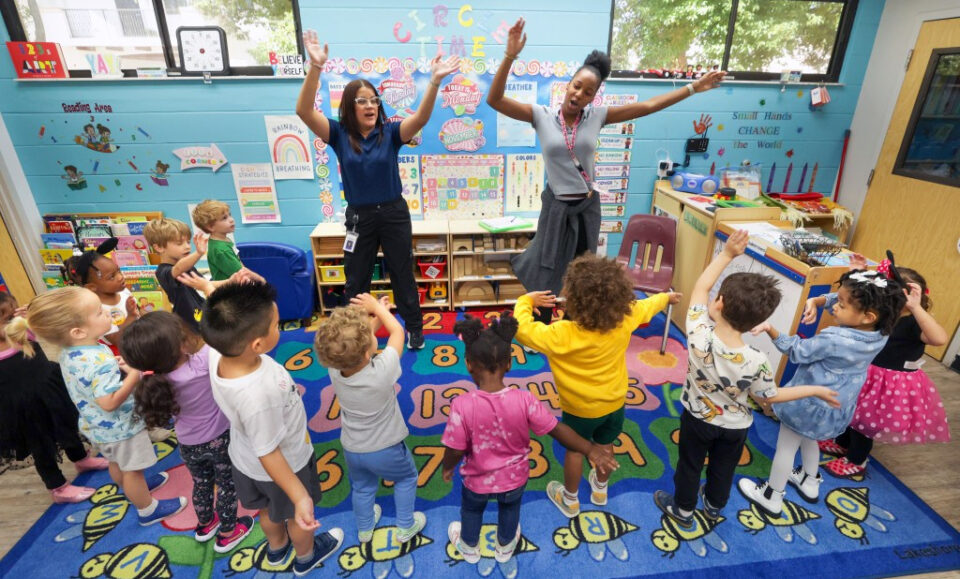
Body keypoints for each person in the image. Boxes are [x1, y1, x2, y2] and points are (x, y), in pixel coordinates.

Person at [487, 18, 725, 324]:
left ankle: (577, 323)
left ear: (593, 96)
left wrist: (694, 88)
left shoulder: (597, 117)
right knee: (546, 267)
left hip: (587, 206)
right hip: (556, 207)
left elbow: (649, 105)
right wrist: (509, 56)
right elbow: (494, 99)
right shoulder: (540, 116)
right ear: (568, 84)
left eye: (588, 92)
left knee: (584, 271)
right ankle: (543, 325)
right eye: (576, 86)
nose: (578, 95)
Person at [652, 229, 839, 529]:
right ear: (758, 321)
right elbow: (771, 397)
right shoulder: (757, 360)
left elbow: (702, 286)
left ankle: (683, 510)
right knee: (724, 467)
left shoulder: (699, 334)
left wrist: (727, 255)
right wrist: (814, 389)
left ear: (719, 303)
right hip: (735, 427)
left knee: (689, 464)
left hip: (697, 419)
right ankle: (714, 505)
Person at [296, 29, 460, 350]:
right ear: (349, 106)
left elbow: (422, 117)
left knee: (402, 273)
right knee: (356, 279)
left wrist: (435, 82)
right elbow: (303, 111)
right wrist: (315, 68)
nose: (370, 105)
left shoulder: (392, 132)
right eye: (362, 100)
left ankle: (414, 330)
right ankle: (351, 335)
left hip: (394, 213)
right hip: (359, 217)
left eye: (374, 100)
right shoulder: (338, 133)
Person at [441, 313, 618, 564]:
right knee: (510, 509)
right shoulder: (526, 399)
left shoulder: (461, 405)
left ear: (468, 364)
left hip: (476, 481)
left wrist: (448, 467)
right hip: (515, 479)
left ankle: (469, 546)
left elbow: (455, 448)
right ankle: (505, 546)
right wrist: (589, 448)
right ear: (509, 363)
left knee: (471, 510)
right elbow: (557, 429)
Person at [513, 254, 678, 517]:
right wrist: (667, 298)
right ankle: (600, 489)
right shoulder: (625, 318)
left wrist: (526, 301)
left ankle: (570, 499)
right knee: (605, 444)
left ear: (574, 301)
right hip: (614, 403)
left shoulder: (560, 334)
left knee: (576, 451)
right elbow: (646, 306)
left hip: (579, 409)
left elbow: (521, 329)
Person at [5, 287, 187, 524]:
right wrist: (133, 374)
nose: (107, 314)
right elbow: (109, 402)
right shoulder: (97, 361)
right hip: (121, 428)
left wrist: (113, 362)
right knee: (131, 469)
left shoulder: (74, 350)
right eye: (100, 312)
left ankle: (135, 487)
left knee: (117, 463)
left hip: (97, 427)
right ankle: (148, 509)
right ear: (78, 331)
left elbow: (89, 380)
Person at [200, 281, 343, 575]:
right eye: (276, 325)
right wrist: (299, 495)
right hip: (284, 465)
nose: (279, 329)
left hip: (244, 461)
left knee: (266, 511)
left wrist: (210, 289)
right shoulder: (258, 396)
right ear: (257, 344)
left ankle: (277, 550)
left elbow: (221, 313)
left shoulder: (218, 350)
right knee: (295, 516)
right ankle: (306, 556)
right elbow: (269, 453)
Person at [738, 268, 906, 516]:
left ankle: (771, 495)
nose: (835, 307)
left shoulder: (834, 338)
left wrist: (770, 328)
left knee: (786, 446)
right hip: (836, 404)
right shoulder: (881, 332)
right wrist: (818, 301)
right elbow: (847, 302)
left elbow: (797, 350)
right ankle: (809, 480)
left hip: (808, 402)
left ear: (868, 315)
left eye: (841, 304)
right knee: (809, 437)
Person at [121, 311, 254, 553]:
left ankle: (205, 524)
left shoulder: (150, 377)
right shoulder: (202, 362)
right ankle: (227, 532)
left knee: (201, 482)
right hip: (219, 439)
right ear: (181, 345)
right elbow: (225, 337)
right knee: (227, 485)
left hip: (187, 444)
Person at [810, 265, 950, 477]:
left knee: (865, 422)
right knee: (851, 411)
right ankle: (842, 443)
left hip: (889, 383)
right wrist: (857, 271)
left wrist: (916, 308)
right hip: (866, 372)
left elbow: (939, 339)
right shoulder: (884, 314)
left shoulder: (914, 321)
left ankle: (857, 459)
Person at [314, 294, 425, 544]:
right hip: (386, 447)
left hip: (353, 447)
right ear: (367, 353)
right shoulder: (382, 371)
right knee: (406, 478)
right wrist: (379, 310)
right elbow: (397, 332)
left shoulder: (335, 368)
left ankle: (364, 529)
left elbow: (354, 345)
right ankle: (406, 525)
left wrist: (373, 320)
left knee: (363, 488)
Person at [0, 292, 109, 503]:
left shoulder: (23, 332)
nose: (16, 321)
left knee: (67, 425)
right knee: (41, 445)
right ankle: (57, 486)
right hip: (24, 408)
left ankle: (80, 458)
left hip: (50, 390)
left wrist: (30, 316)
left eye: (15, 314)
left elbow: (46, 324)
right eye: (7, 320)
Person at [144, 217, 262, 334]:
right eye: (179, 243)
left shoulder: (188, 266)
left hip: (204, 318)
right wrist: (199, 253)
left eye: (188, 242)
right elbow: (178, 269)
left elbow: (204, 284)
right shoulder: (163, 271)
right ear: (159, 247)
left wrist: (230, 281)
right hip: (190, 327)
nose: (187, 246)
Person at [62, 238, 139, 350]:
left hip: (140, 340)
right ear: (92, 287)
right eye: (111, 277)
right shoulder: (98, 310)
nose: (120, 277)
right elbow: (117, 340)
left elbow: (139, 312)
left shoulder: (123, 292)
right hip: (123, 352)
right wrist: (131, 316)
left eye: (118, 271)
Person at [192, 200, 244, 282]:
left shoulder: (222, 240)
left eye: (229, 215)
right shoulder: (221, 250)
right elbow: (241, 275)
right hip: (233, 291)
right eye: (224, 218)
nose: (231, 220)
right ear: (210, 227)